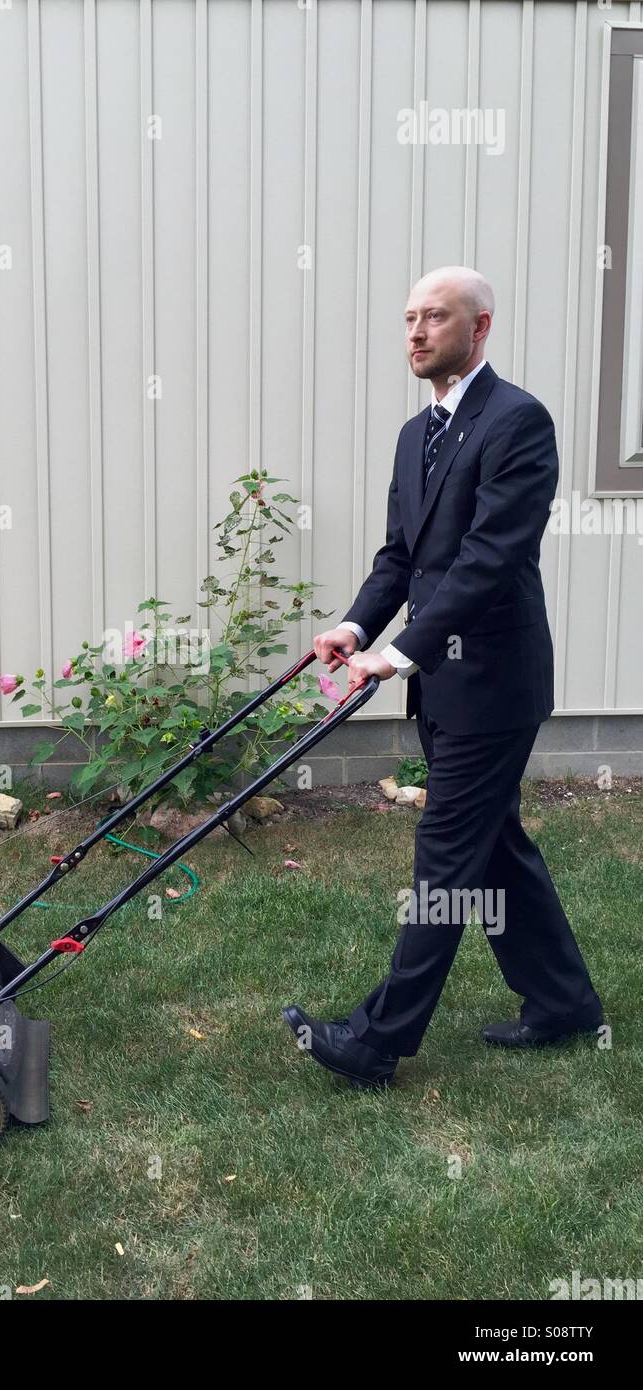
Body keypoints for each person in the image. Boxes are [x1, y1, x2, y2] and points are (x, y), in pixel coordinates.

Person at [284, 266, 603, 1088]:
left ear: (480, 327)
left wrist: (401, 652)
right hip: (446, 684)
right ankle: (564, 1002)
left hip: (495, 685)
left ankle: (376, 1041)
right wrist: (357, 626)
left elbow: (489, 560)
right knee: (495, 850)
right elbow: (405, 556)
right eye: (409, 318)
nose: (417, 332)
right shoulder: (414, 434)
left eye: (436, 317)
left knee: (447, 860)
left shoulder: (518, 422)